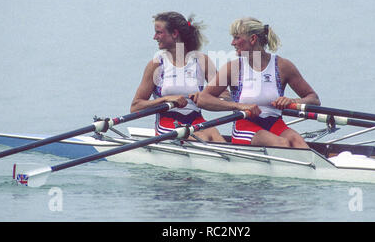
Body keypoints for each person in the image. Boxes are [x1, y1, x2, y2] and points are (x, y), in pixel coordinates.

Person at [196, 17, 320, 148]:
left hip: (275, 124)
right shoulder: (233, 68)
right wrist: (238, 106)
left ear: (253, 39)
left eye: (237, 38)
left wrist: (292, 101)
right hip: (244, 126)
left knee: (299, 143)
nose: (233, 43)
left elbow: (314, 99)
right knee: (281, 143)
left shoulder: (283, 66)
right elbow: (203, 99)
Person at [130, 11, 227, 142]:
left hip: (196, 119)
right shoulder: (156, 65)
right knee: (201, 137)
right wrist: (166, 99)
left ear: (175, 34)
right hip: (168, 123)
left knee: (214, 133)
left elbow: (225, 95)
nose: (154, 37)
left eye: (159, 32)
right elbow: (135, 107)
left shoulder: (201, 61)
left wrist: (206, 96)